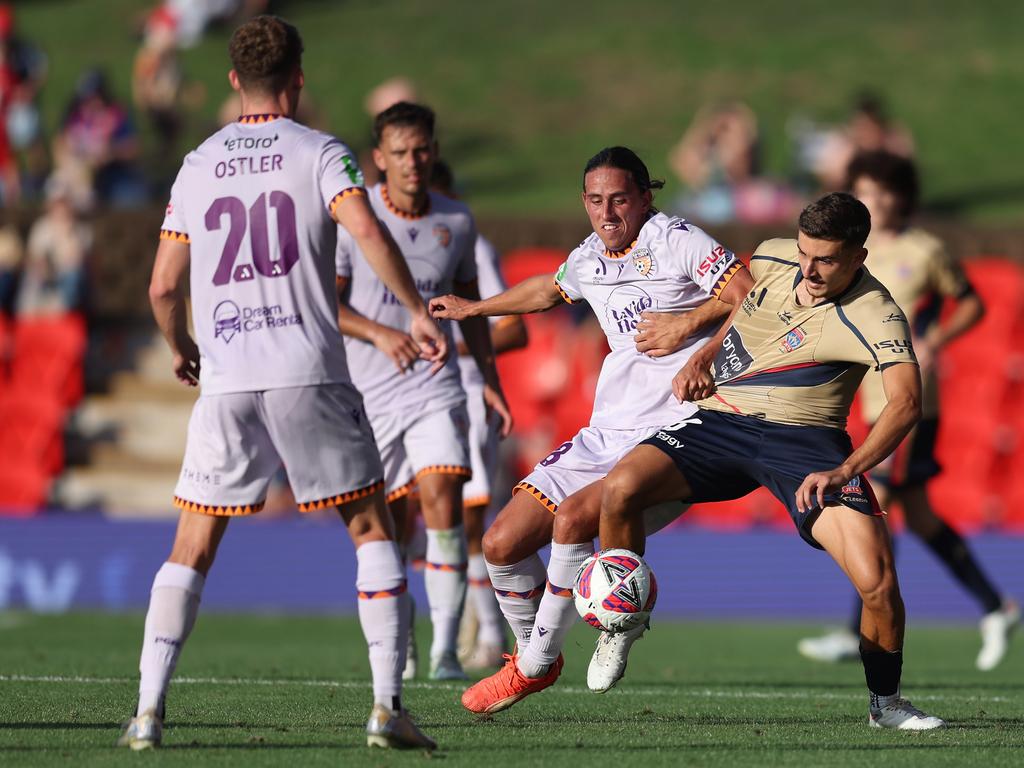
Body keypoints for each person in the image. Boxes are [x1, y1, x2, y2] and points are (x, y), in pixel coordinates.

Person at [117, 16, 445, 751]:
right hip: (307, 373)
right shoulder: (321, 152)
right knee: (370, 529)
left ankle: (146, 712)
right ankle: (387, 706)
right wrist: (417, 310)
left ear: (234, 80)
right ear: (298, 78)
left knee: (192, 545)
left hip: (226, 377)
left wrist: (182, 346)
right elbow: (366, 231)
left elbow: (163, 285)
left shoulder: (198, 164)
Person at [595, 192, 945, 729]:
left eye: (826, 259)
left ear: (859, 258)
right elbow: (741, 298)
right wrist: (703, 352)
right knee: (620, 489)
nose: (809, 269)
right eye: (805, 253)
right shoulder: (772, 254)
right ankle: (620, 623)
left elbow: (906, 404)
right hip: (721, 421)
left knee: (877, 581)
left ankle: (887, 705)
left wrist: (846, 469)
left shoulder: (877, 313)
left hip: (807, 445)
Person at [430, 146, 752, 713]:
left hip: (679, 429)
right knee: (500, 544)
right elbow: (546, 292)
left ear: (645, 197)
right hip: (607, 429)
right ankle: (541, 651)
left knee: (577, 518)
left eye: (621, 199)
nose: (608, 213)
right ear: (584, 202)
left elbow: (750, 295)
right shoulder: (588, 257)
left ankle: (537, 665)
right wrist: (474, 309)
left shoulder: (676, 239)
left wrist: (693, 337)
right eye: (596, 201)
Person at [797, 152, 1019, 670]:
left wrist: (936, 338)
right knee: (916, 516)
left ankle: (861, 631)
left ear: (904, 196)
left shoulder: (923, 250)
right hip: (867, 398)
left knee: (875, 501)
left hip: (908, 404)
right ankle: (995, 606)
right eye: (869, 190)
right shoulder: (845, 255)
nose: (881, 200)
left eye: (888, 191)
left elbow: (971, 302)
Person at [334, 102, 513, 682]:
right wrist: (380, 333)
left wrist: (490, 381)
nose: (413, 162)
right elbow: (328, 305)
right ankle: (402, 638)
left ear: (433, 151)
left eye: (422, 150)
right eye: (401, 153)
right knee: (388, 529)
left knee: (445, 504)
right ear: (378, 160)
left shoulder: (456, 221)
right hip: (369, 393)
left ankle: (443, 654)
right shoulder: (352, 221)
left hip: (437, 388)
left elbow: (473, 312)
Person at [429, 159, 528, 670]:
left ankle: (489, 635)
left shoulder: (471, 245)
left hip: (465, 397)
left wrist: (443, 344)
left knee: (468, 523)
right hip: (410, 398)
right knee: (423, 522)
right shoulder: (395, 248)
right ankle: (440, 638)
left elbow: (514, 330)